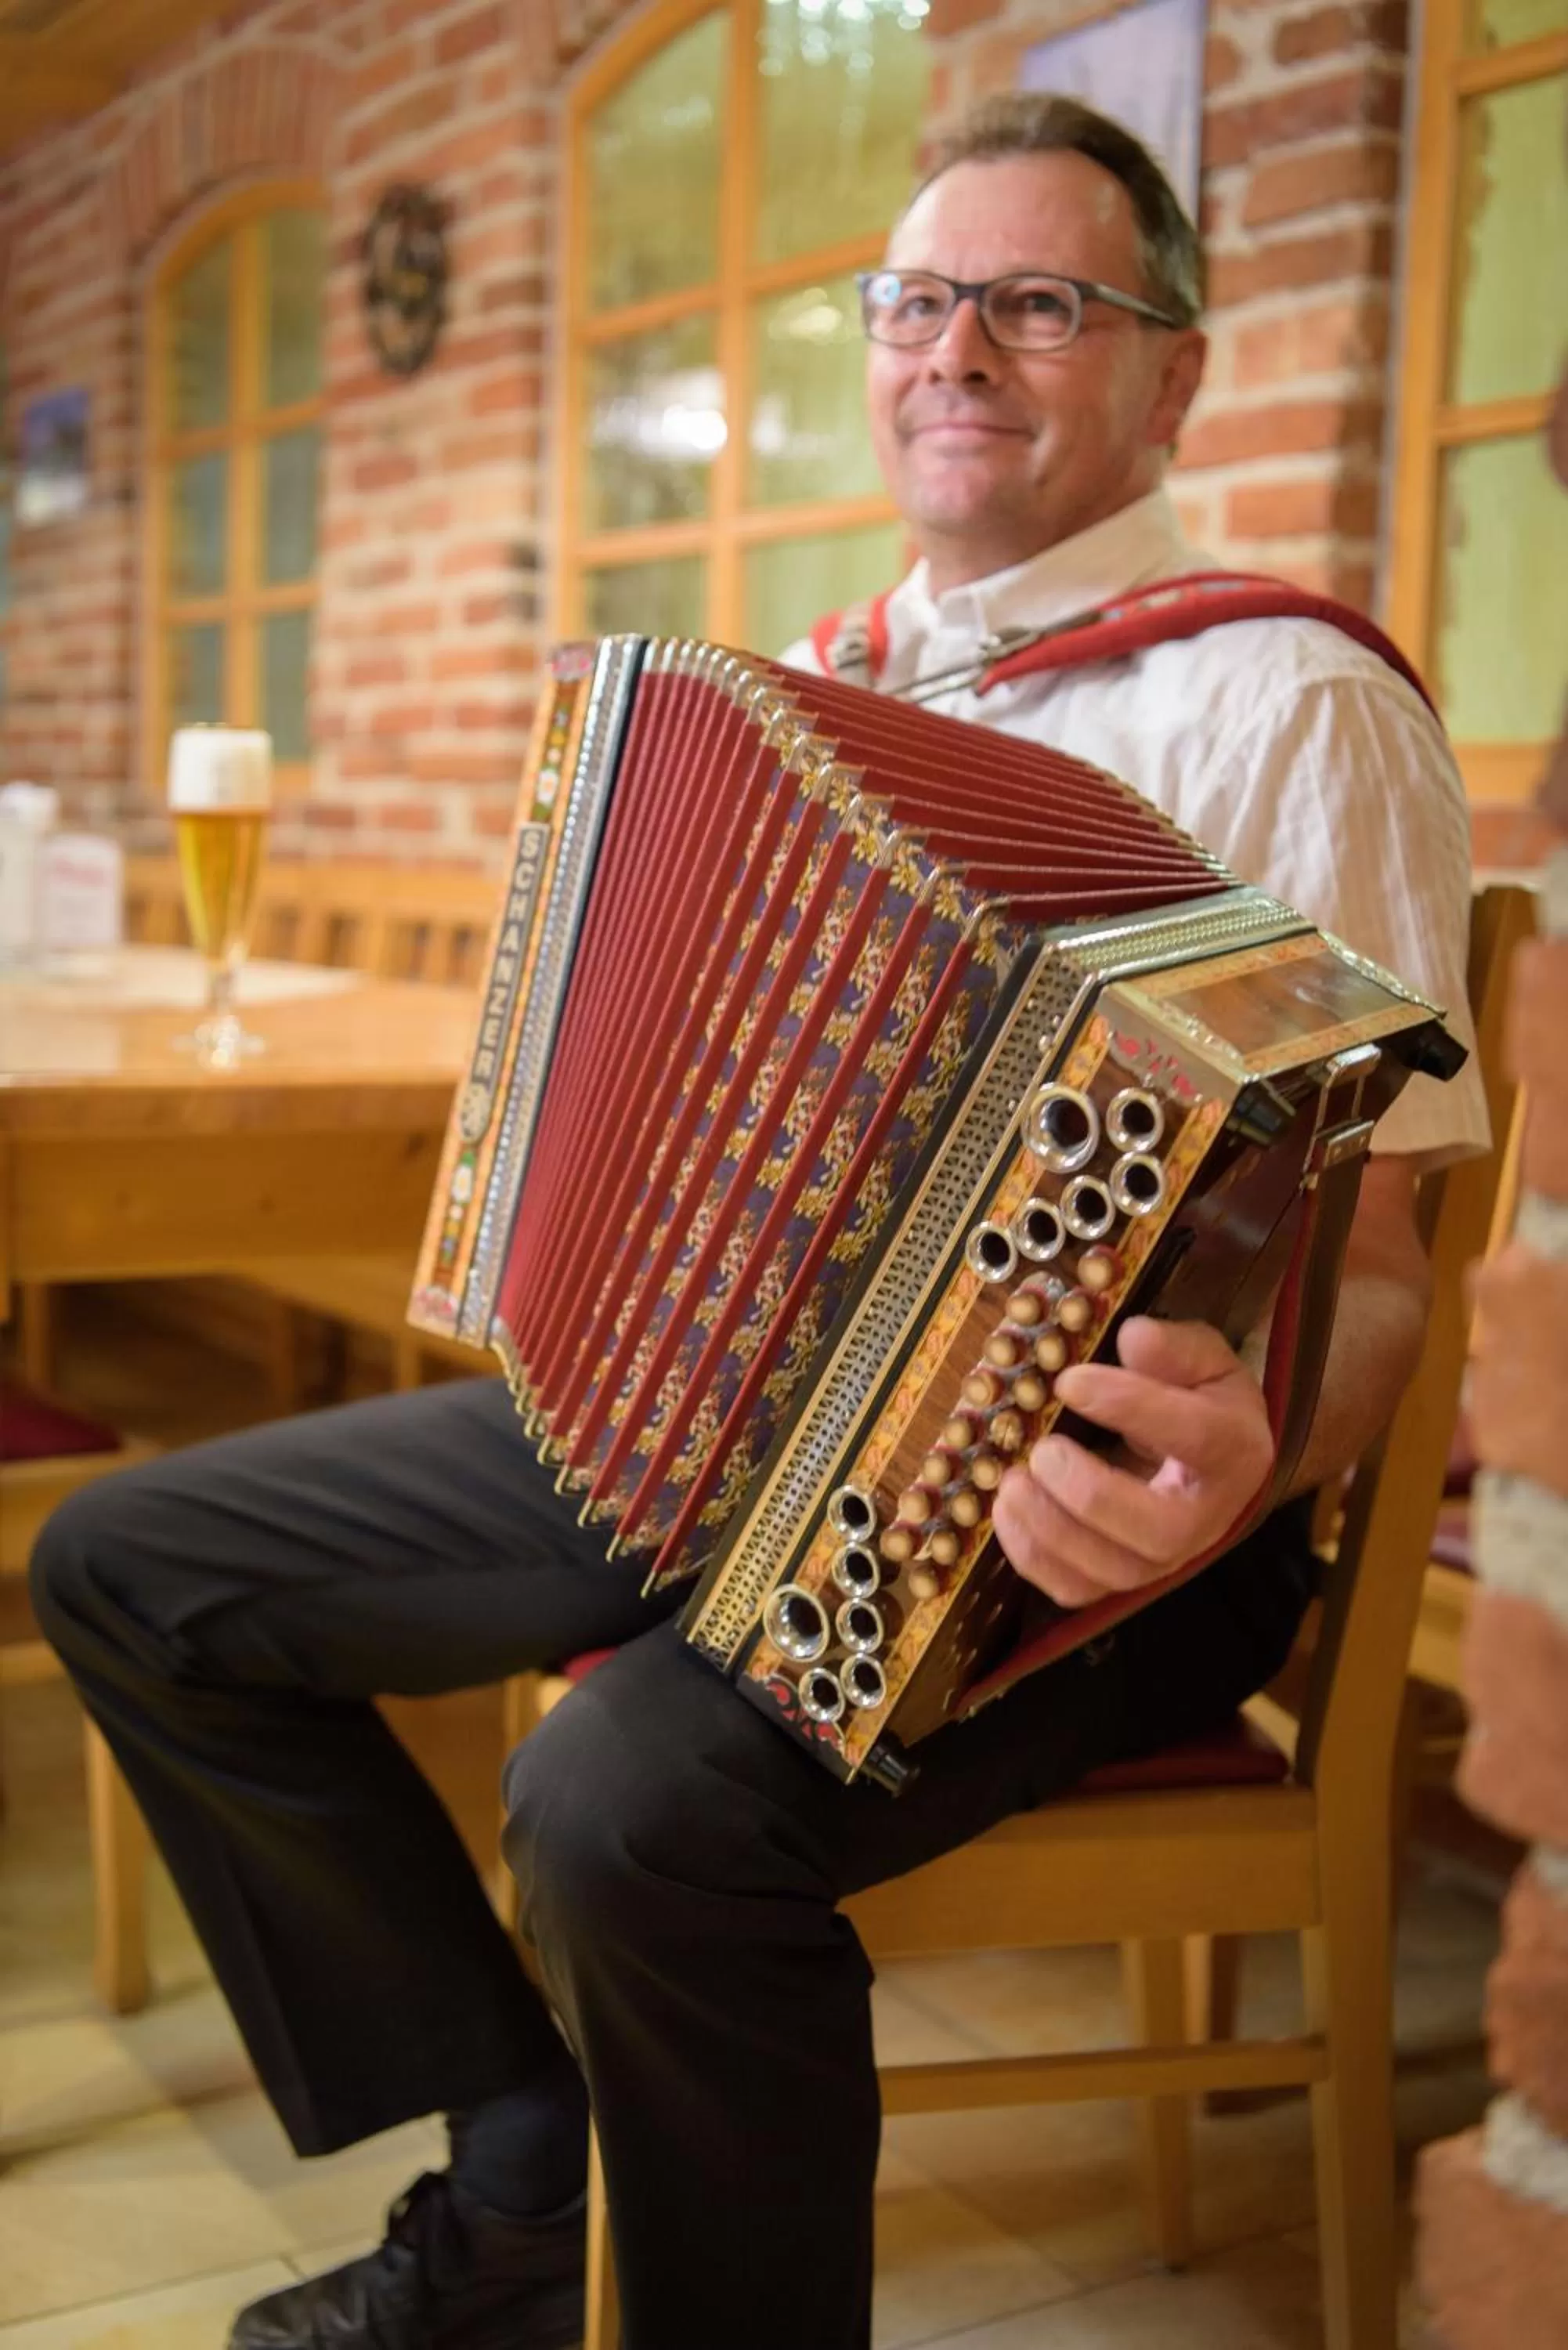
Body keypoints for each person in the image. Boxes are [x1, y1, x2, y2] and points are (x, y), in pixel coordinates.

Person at [31, 92, 1487, 2350]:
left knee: (618, 1806)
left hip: (1094, 1520)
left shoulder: (1293, 700)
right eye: (918, 301)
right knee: (134, 1569)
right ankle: (530, 2186)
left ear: (1174, 374)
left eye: (1041, 303)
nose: (956, 349)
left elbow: (1381, 1268)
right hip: (721, 1423)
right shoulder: (822, 681)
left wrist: (1245, 1470)